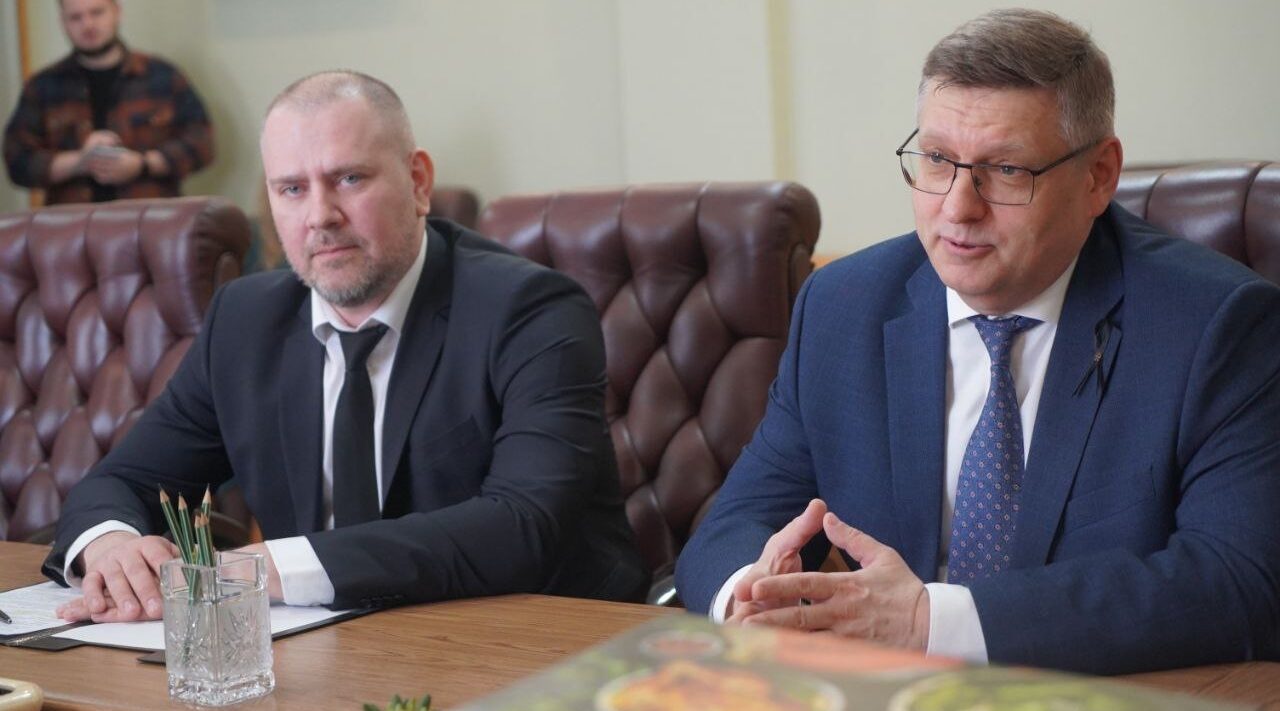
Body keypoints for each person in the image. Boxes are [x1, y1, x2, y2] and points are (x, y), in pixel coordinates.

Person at [675, 8, 1280, 675]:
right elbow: (735, 524)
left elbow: (1241, 582)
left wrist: (931, 623)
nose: (959, 206)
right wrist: (752, 598)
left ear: (1099, 176)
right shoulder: (845, 307)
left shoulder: (1215, 325)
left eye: (1007, 170)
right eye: (938, 160)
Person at [45, 70, 649, 622]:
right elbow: (120, 482)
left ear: (418, 182)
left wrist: (263, 568)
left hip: (536, 639)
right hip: (327, 649)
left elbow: (524, 525)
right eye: (291, 189)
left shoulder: (529, 310)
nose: (320, 215)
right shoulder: (246, 321)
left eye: (349, 179)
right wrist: (112, 545)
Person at [3, 0, 213, 204]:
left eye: (97, 12)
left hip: (149, 219)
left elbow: (203, 143)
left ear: (117, 12)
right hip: (73, 223)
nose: (88, 25)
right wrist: (79, 162)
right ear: (63, 22)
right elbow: (17, 161)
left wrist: (143, 164)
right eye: (75, 17)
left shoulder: (162, 76)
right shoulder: (43, 86)